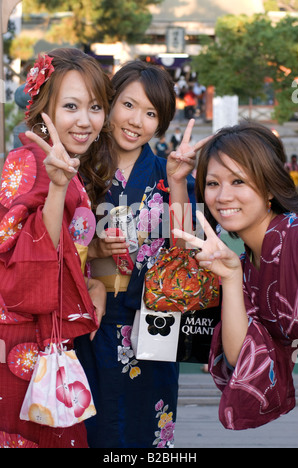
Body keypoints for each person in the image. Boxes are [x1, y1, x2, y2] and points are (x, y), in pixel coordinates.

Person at [75, 60, 209, 448]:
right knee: (91, 431)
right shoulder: (81, 168)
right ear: (110, 104)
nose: (136, 121)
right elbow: (52, 245)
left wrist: (180, 182)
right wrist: (93, 249)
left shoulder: (168, 173)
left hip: (153, 331)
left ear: (161, 122)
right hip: (91, 325)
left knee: (146, 436)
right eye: (128, 105)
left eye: (150, 113)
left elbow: (186, 251)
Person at [0, 48, 115, 448]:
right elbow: (31, 258)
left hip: (45, 342)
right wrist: (59, 189)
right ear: (42, 109)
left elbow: (64, 252)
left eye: (96, 107)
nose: (86, 121)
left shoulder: (59, 163)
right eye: (71, 106)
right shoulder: (34, 162)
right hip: (23, 344)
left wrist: (94, 282)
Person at [174, 122, 298, 431]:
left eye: (238, 181)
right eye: (213, 183)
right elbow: (240, 355)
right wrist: (230, 279)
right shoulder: (245, 263)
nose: (223, 196)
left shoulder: (295, 238)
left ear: (269, 186)